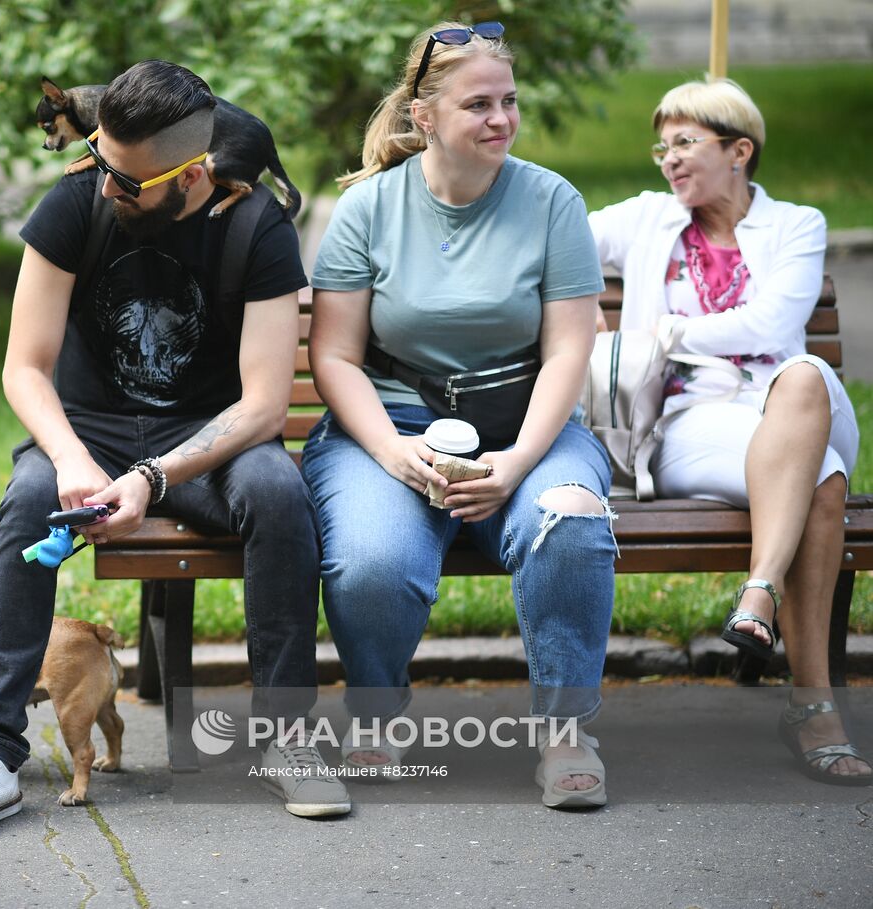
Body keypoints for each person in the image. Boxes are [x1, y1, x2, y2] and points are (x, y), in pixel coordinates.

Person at [0, 60, 351, 839]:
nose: (106, 188)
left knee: (280, 493)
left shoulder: (255, 226)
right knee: (27, 500)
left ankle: (290, 736)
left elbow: (262, 405)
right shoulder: (74, 203)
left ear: (195, 175)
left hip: (208, 442)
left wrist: (155, 475)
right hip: (88, 432)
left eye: (132, 182)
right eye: (103, 166)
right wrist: (75, 459)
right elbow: (24, 367)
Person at [300, 21, 616, 810]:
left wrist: (514, 464)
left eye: (508, 101)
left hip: (525, 430)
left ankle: (566, 731)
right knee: (371, 560)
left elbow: (570, 352)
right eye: (479, 103)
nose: (501, 118)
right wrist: (391, 452)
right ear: (425, 116)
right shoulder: (369, 208)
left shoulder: (552, 201)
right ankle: (377, 711)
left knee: (571, 520)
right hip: (392, 428)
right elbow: (334, 355)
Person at [589, 78, 870, 786]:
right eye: (662, 147)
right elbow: (553, 241)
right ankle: (812, 704)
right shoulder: (647, 220)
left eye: (685, 143)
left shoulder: (796, 225)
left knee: (802, 375)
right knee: (826, 478)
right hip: (691, 424)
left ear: (740, 150)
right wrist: (579, 314)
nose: (668, 160)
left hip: (788, 401)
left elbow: (774, 326)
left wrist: (671, 330)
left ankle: (759, 591)